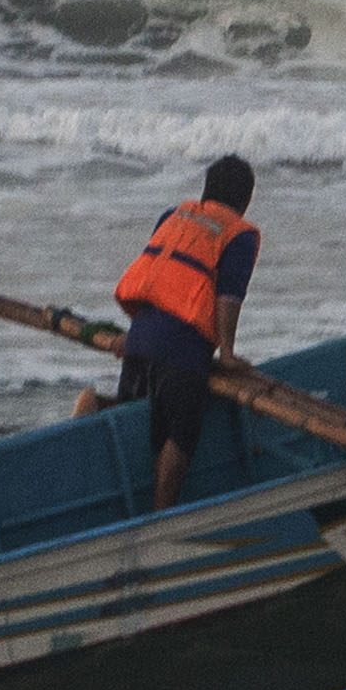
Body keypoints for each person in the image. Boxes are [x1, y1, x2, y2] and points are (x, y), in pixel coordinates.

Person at [97, 154, 259, 509]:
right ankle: (161, 514)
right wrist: (228, 355)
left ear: (207, 190)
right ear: (245, 200)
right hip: (182, 350)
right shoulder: (238, 235)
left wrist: (134, 334)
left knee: (135, 415)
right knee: (180, 436)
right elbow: (229, 297)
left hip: (140, 338)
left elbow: (159, 276)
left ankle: (93, 405)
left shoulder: (174, 217)